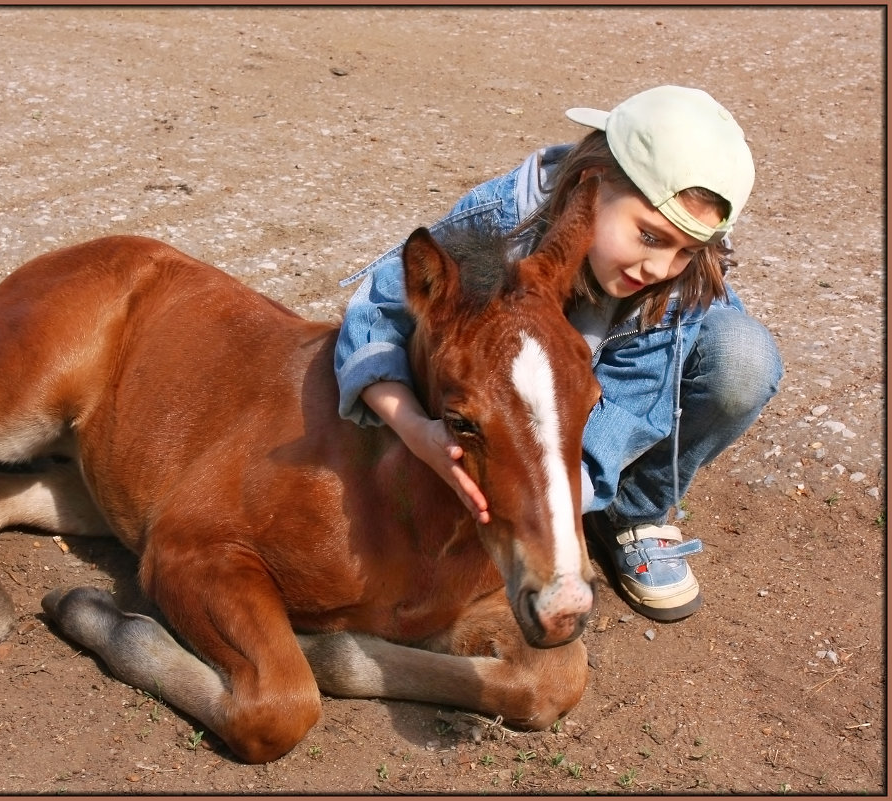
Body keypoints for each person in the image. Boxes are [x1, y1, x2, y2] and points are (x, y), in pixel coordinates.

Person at [333, 85, 784, 622]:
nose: (660, 268)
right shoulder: (503, 216)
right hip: (510, 385)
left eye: (687, 251)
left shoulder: (670, 291)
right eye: (650, 236)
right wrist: (412, 427)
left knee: (744, 359)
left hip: (586, 391)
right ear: (590, 185)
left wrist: (549, 517)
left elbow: (629, 408)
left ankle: (628, 515)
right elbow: (377, 311)